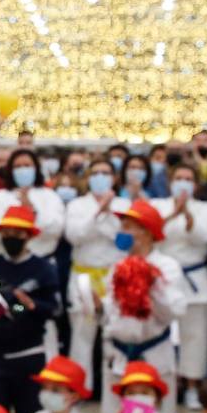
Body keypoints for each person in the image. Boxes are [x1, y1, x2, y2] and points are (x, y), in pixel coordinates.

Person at [99, 200, 187, 413]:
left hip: (153, 355)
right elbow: (110, 313)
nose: (122, 232)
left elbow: (174, 312)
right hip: (119, 356)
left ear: (146, 232)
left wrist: (151, 281)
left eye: (128, 227)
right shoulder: (117, 266)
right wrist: (97, 305)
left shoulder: (167, 266)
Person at [0, 205, 60, 413]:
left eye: (17, 233)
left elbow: (54, 307)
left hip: (29, 356)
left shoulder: (43, 269)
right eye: (6, 233)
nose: (11, 237)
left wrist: (30, 305)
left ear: (29, 235)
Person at [151, 162, 207, 410]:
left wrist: (188, 216)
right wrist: (172, 215)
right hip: (164, 278)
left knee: (194, 336)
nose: (183, 182)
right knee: (160, 334)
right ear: (170, 182)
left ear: (195, 184)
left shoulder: (205, 209)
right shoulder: (158, 206)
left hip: (195, 279)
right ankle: (160, 385)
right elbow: (152, 234)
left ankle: (191, 386)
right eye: (179, 178)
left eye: (188, 178)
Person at [64, 157, 124, 392]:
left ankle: (114, 388)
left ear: (114, 178)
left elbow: (124, 241)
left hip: (114, 275)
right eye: (95, 172)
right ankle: (79, 389)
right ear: (88, 178)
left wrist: (108, 216)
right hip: (83, 276)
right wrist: (99, 212)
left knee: (114, 333)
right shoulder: (76, 205)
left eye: (105, 172)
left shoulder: (124, 205)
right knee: (81, 336)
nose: (100, 177)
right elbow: (75, 235)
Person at [0, 148, 66, 260]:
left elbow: (56, 228)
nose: (23, 169)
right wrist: (13, 231)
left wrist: (33, 212)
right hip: (4, 261)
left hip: (41, 261)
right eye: (18, 166)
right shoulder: (0, 196)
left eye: (27, 165)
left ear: (36, 168)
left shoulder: (49, 195)